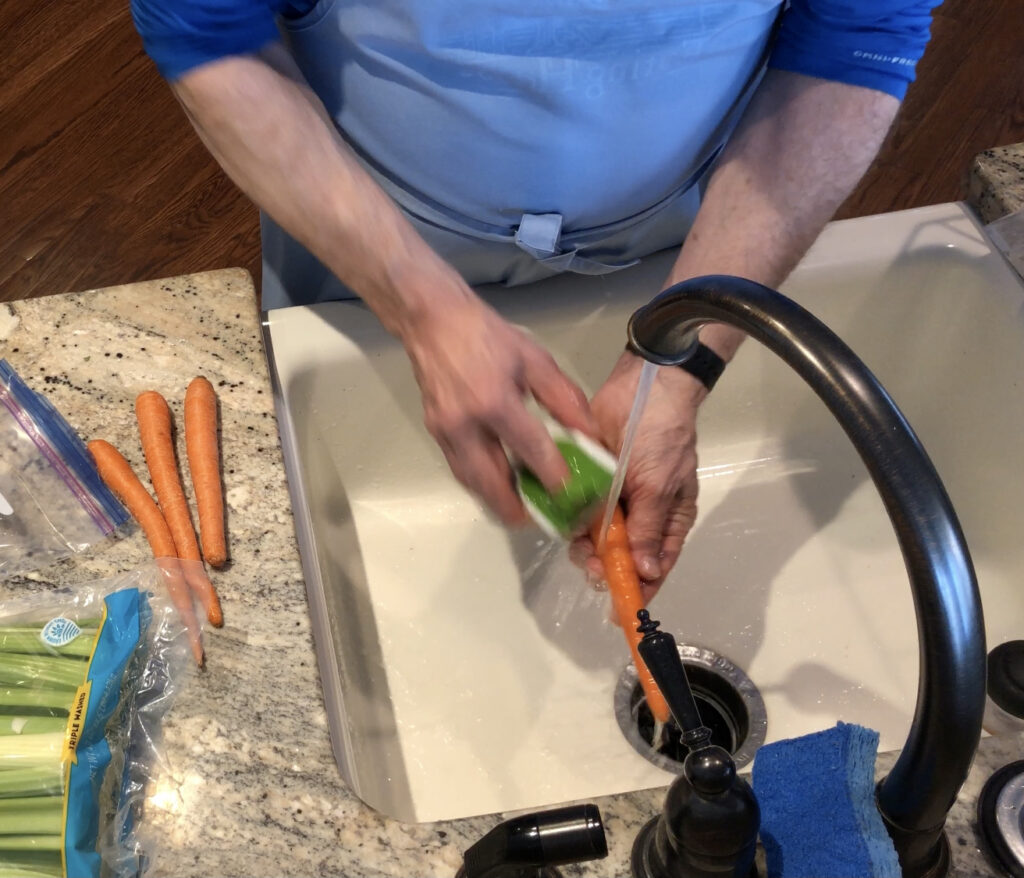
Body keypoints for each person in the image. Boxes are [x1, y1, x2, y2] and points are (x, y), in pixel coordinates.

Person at [132, 0, 940, 596]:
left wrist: (683, 353)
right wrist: (420, 306)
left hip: (694, 241)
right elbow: (208, 33)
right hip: (362, 231)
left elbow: (858, 38)